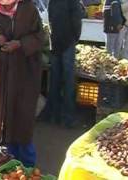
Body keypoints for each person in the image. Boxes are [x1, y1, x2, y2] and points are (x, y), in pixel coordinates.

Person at [0, 0, 44, 167]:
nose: (5, 6)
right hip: (3, 73)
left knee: (23, 120)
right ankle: (11, 164)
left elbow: (40, 37)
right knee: (5, 116)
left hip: (25, 74)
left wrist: (20, 44)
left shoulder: (29, 10)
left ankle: (28, 167)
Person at [41, 0, 84, 128]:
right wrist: (75, 39)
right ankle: (68, 118)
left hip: (55, 42)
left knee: (54, 80)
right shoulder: (73, 2)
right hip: (67, 43)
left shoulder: (52, 2)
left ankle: (53, 115)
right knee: (68, 81)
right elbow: (77, 21)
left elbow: (50, 19)